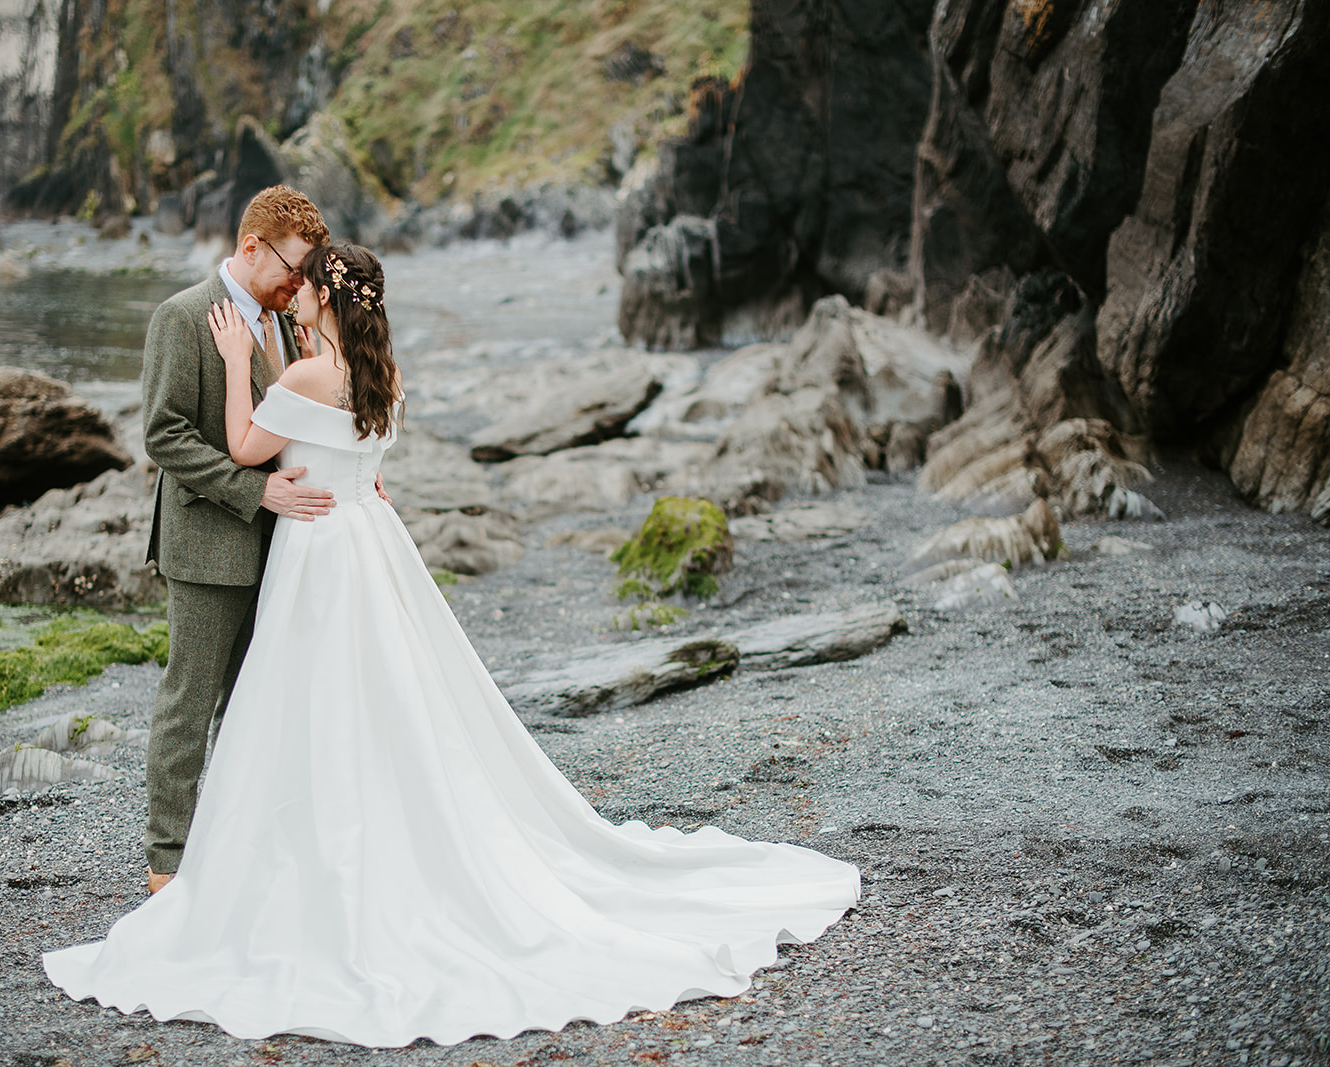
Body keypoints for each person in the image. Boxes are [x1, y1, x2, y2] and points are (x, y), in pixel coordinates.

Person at [44, 243, 861, 1048]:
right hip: (371, 540)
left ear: (325, 297)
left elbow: (244, 447)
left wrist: (233, 363)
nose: (295, 293)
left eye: (307, 286)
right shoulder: (383, 376)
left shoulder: (302, 377)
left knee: (312, 701)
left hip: (319, 552)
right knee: (385, 700)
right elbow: (359, 455)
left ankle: (293, 855)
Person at [138, 185, 332, 896]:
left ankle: (237, 852)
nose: (299, 283)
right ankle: (167, 866)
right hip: (208, 545)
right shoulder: (183, 316)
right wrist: (255, 492)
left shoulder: (288, 324)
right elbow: (164, 434)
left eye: (307, 272)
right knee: (188, 704)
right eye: (293, 267)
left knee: (254, 706)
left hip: (280, 548)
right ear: (252, 246)